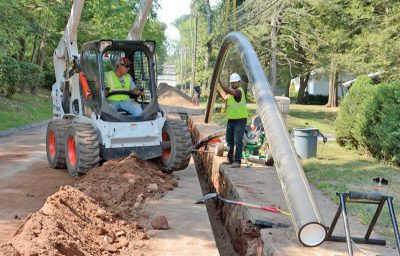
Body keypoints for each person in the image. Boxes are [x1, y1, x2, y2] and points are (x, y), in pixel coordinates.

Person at [217, 73, 248, 168]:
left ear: (239, 82)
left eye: (235, 82)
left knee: (238, 141)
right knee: (229, 140)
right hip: (231, 120)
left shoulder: (238, 92)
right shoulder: (230, 93)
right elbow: (225, 97)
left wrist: (218, 79)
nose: (233, 84)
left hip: (240, 120)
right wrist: (218, 90)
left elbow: (226, 89)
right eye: (232, 82)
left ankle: (237, 161)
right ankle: (230, 159)